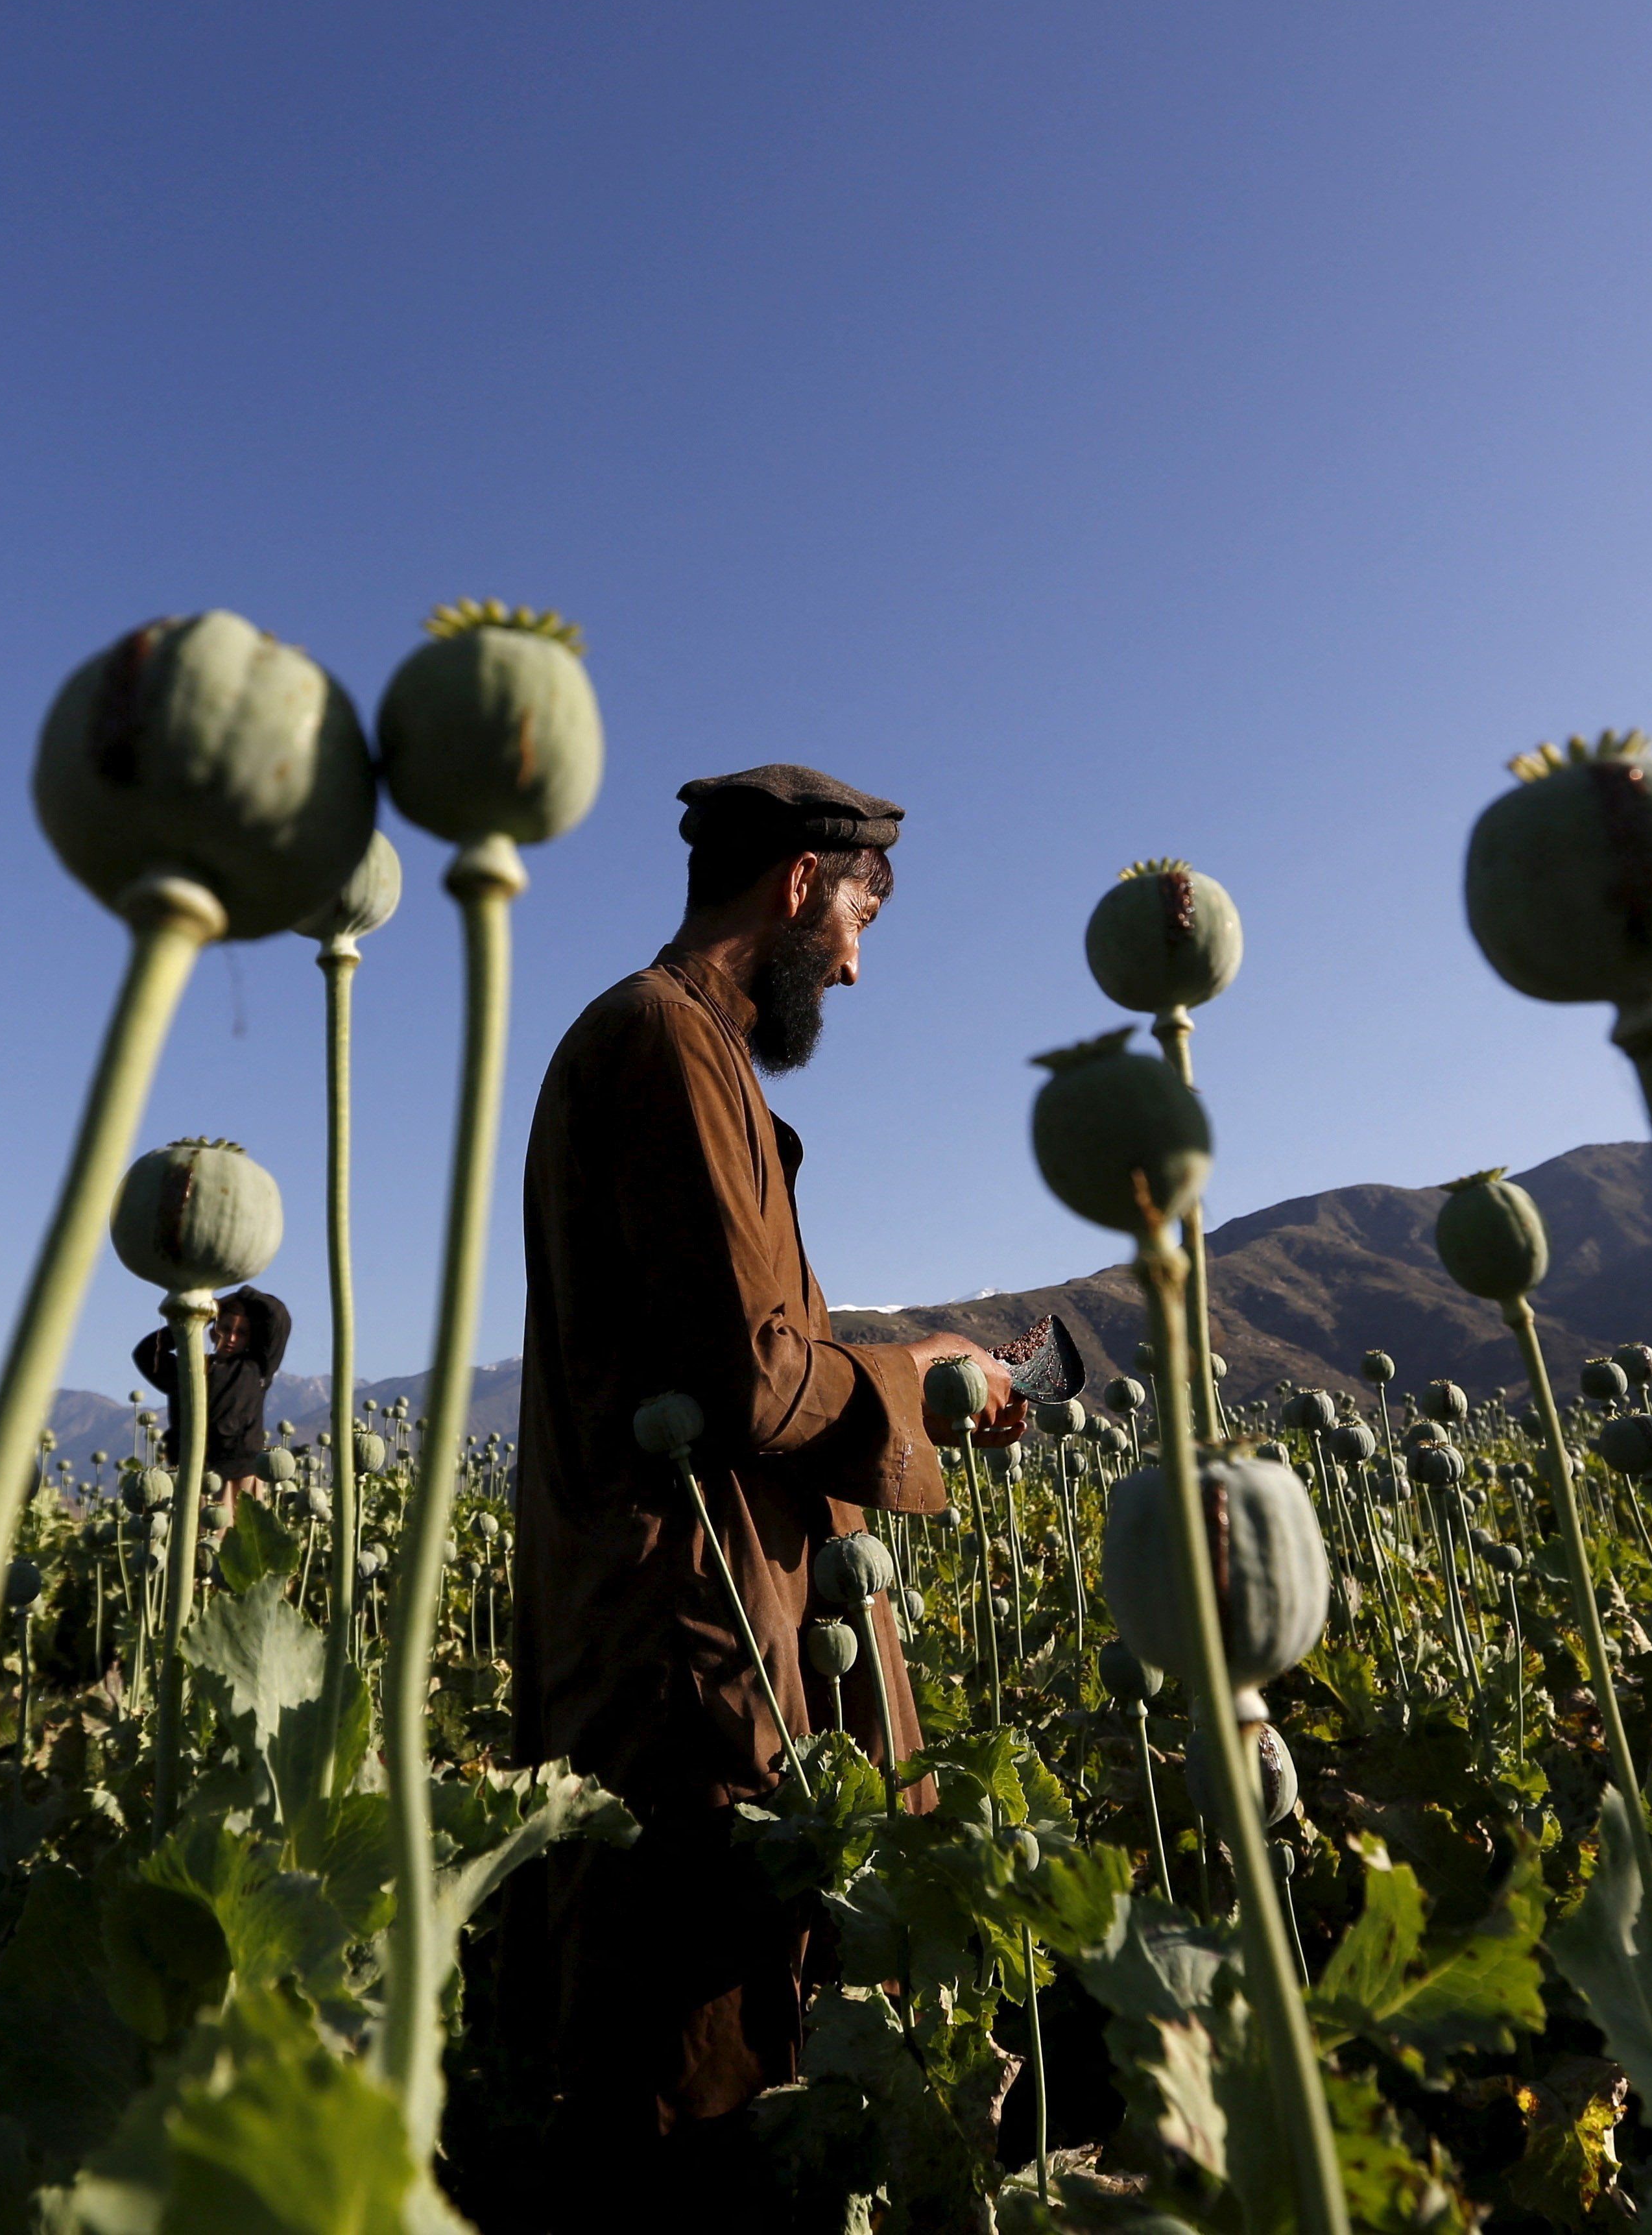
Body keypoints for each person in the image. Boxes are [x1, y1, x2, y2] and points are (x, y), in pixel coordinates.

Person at [503, 762, 1022, 2226]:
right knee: (696, 2051)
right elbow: (746, 1375)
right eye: (857, 915)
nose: (854, 963)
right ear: (798, 886)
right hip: (688, 1631)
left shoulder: (680, 1051)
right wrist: (915, 1373)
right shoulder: (661, 1044)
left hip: (697, 1606)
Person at [128, 1286, 290, 1499]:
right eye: (225, 1329)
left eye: (241, 1333)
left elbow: (278, 1318)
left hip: (240, 1475)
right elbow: (147, 1352)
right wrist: (198, 1318)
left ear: (250, 1338)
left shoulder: (257, 1368)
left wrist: (242, 1296)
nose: (231, 1338)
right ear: (214, 1330)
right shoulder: (189, 1370)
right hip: (193, 1475)